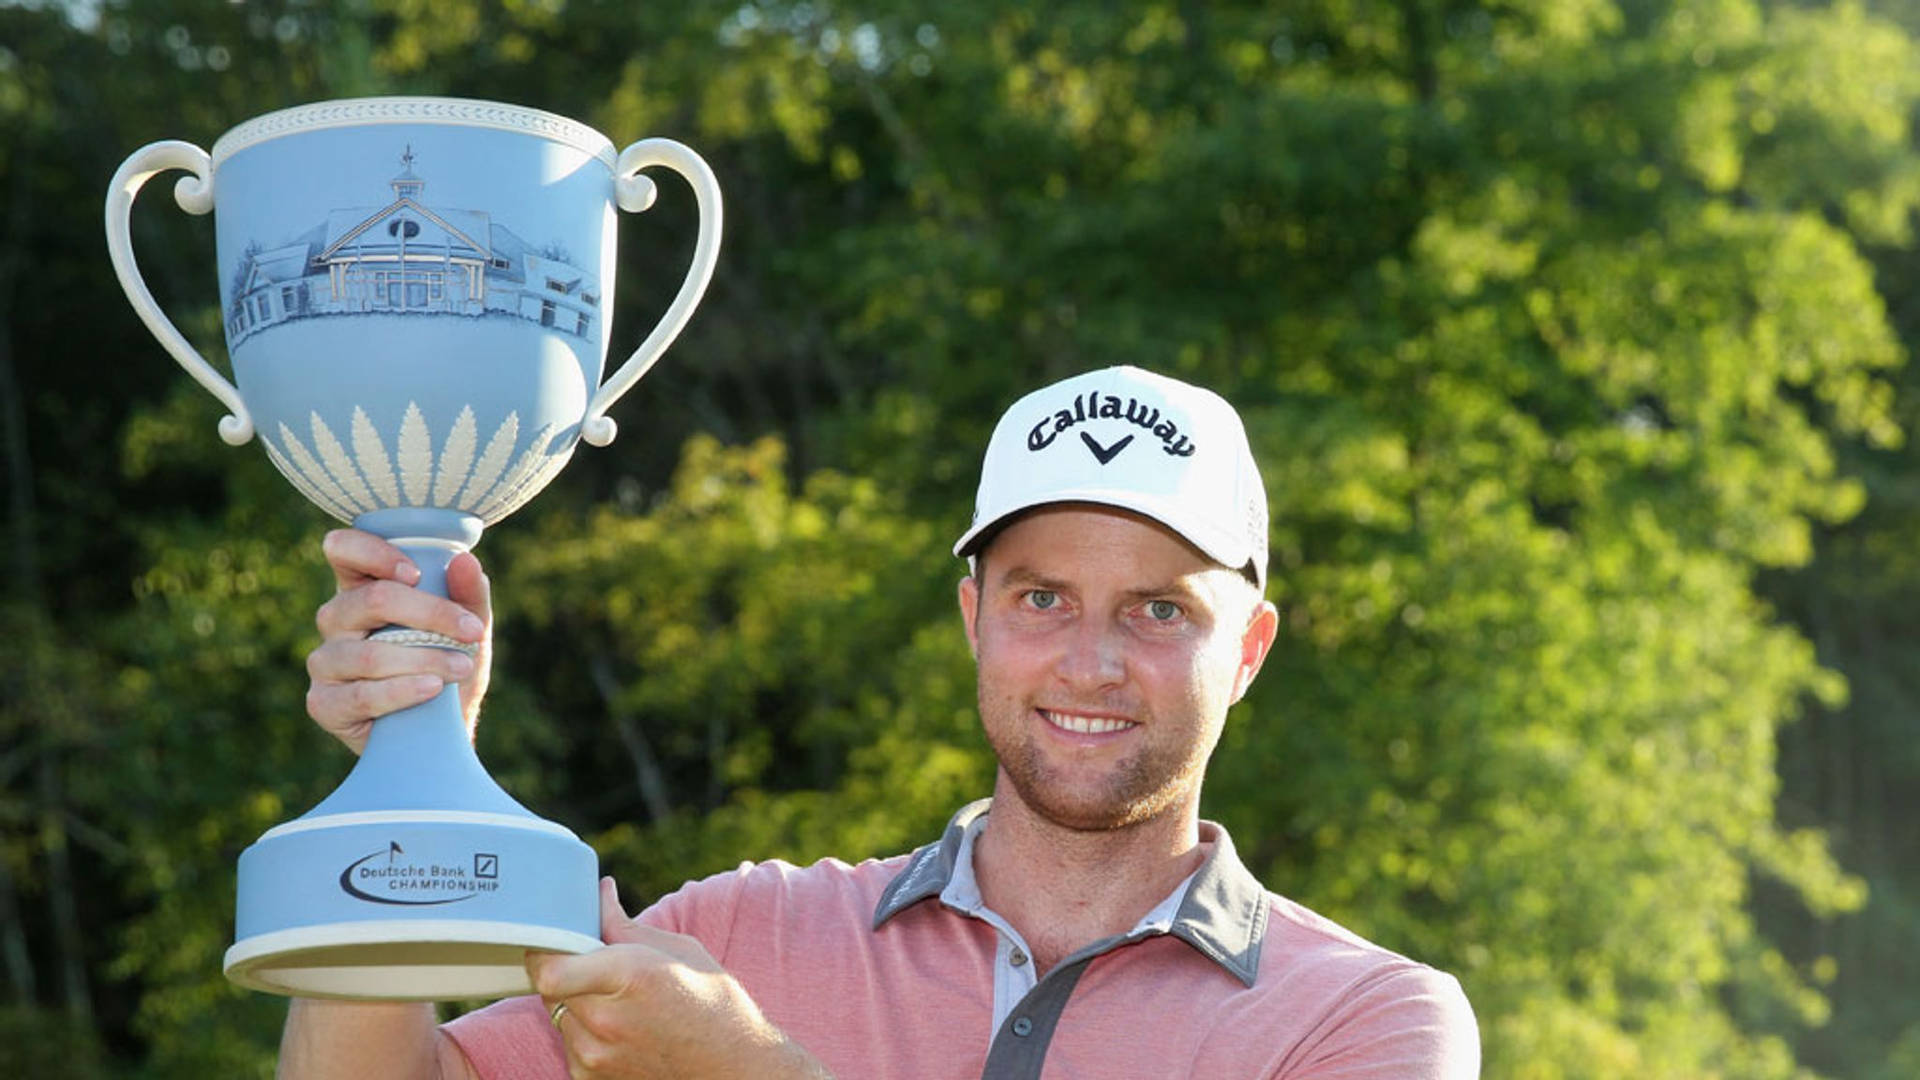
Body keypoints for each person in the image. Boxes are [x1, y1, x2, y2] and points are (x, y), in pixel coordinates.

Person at [284, 365, 1480, 1079]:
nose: (1091, 661)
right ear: (974, 617)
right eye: (1041, 597)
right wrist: (404, 764)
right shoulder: (736, 932)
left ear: (1250, 651)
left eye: (1161, 609)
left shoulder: (1361, 1021)